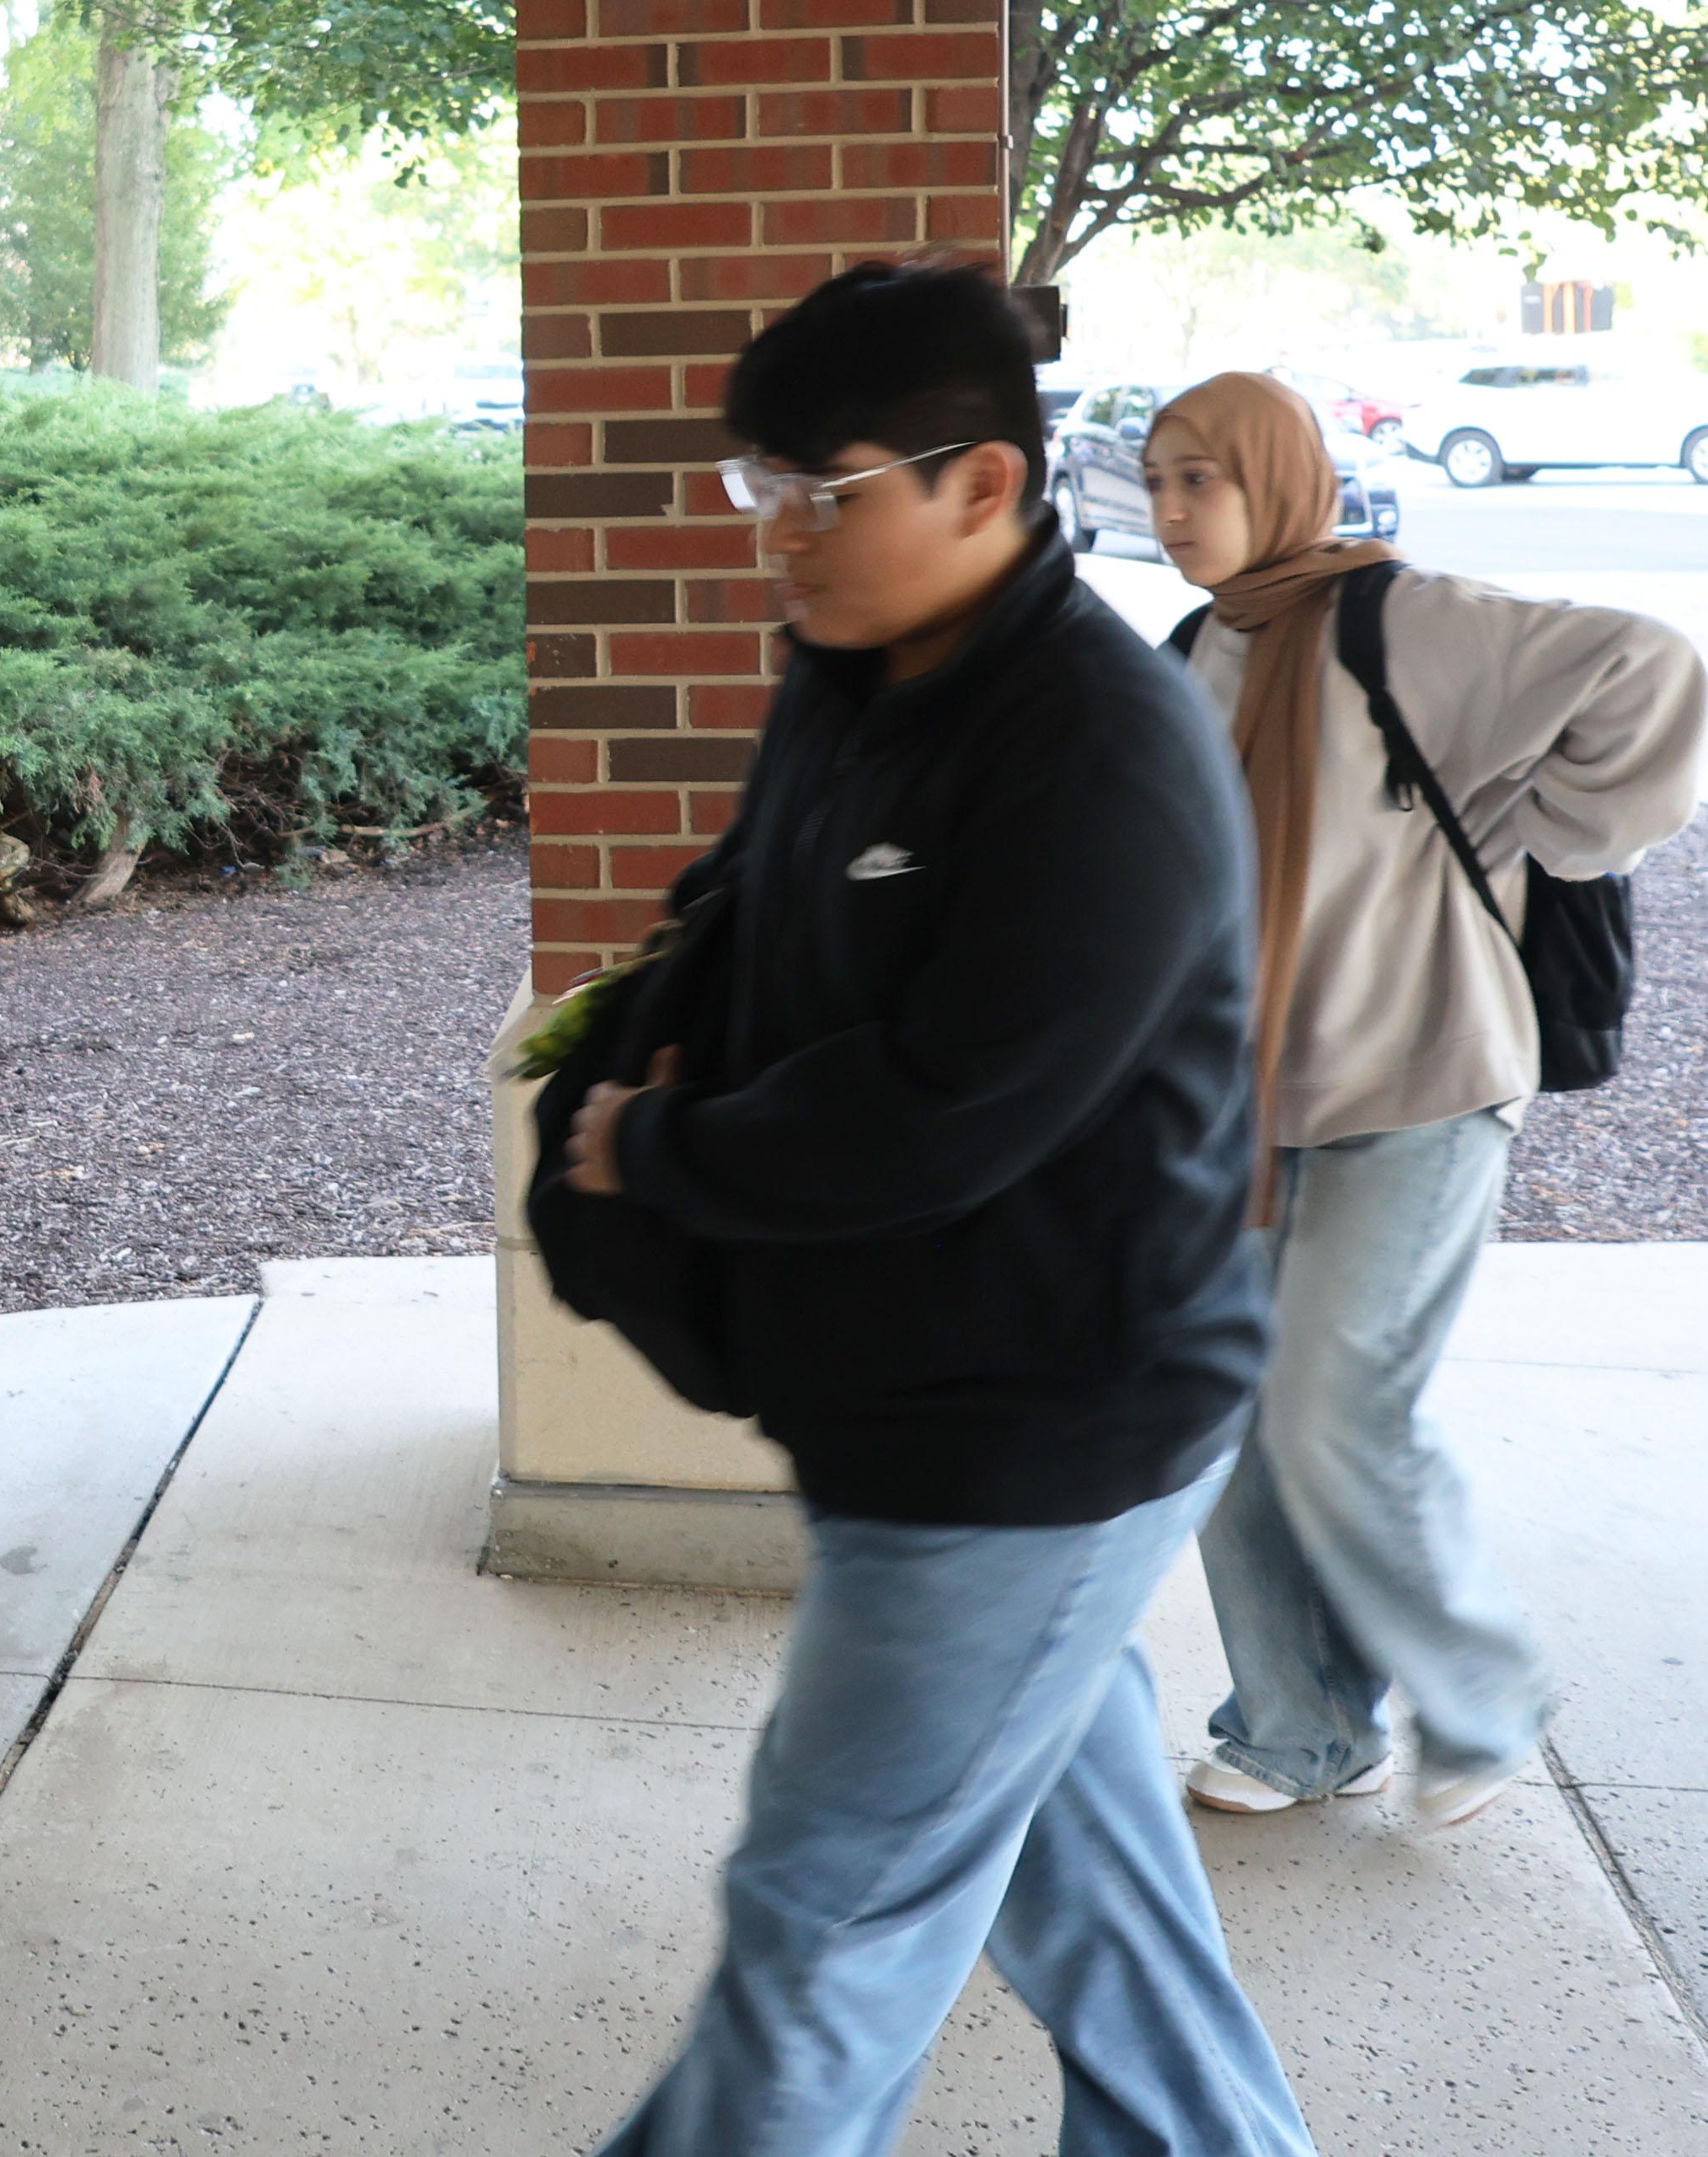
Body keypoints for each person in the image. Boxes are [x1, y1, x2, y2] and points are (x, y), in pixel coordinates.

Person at [557, 262, 1313, 2157]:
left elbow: (945, 1105)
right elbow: (755, 922)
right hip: (909, 1408)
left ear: (982, 485)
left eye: (822, 492)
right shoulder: (857, 672)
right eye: (760, 486)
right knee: (1098, 1904)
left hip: (1032, 1435)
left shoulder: (1098, 749)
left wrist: (656, 1151)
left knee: (824, 1930)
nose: (779, 534)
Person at [1144, 372, 1702, 1828]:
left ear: (1280, 478)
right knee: (1230, 1411)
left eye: (1202, 477)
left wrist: (1555, 830)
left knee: (1337, 1400)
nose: (1173, 510)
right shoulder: (1193, 652)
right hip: (1248, 1100)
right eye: (1155, 482)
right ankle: (1301, 1727)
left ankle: (1483, 1696)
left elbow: (1648, 672)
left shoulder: (1406, 623)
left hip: (1427, 1074)